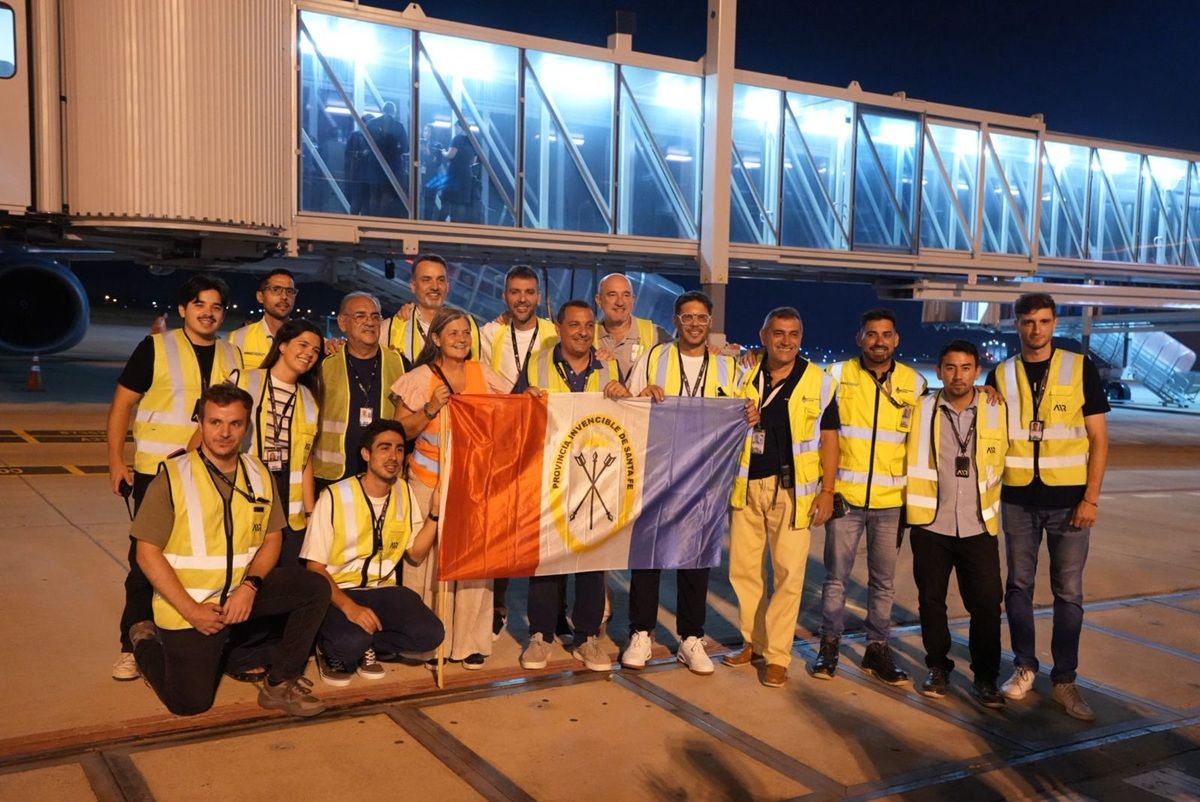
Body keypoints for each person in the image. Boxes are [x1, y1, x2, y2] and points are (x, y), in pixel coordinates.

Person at [127, 384, 331, 717]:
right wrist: (192, 610)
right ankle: (144, 640)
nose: (225, 432)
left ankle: (279, 684)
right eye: (215, 422)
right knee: (189, 703)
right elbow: (146, 553)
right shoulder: (173, 477)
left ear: (247, 426)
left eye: (235, 424)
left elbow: (272, 539)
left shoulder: (259, 473)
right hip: (189, 605)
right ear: (201, 424)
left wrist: (250, 587)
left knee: (314, 588)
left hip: (239, 594)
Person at [107, 274, 243, 681]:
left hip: (214, 475)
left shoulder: (232, 355)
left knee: (203, 558)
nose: (208, 313)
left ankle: (191, 633)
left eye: (216, 306)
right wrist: (116, 461)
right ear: (184, 309)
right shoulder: (155, 348)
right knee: (144, 562)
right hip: (158, 475)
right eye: (200, 304)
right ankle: (133, 644)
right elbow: (121, 407)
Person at [989, 292, 1110, 721]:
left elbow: (1099, 439)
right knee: (1018, 588)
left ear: (1054, 323)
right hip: (1019, 499)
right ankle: (1024, 667)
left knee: (1069, 594)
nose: (1035, 329)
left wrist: (1090, 498)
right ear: (1017, 325)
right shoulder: (1001, 374)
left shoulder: (1079, 368)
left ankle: (1064, 681)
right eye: (1027, 322)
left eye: (1042, 321)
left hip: (1070, 503)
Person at [622, 290, 756, 675]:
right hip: (657, 471)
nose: (694, 324)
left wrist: (749, 410)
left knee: (695, 556)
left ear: (709, 322)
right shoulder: (654, 358)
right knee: (647, 556)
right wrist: (642, 393)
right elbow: (630, 403)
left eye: (701, 318)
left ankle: (690, 637)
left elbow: (745, 412)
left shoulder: (728, 369)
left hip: (704, 477)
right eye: (687, 317)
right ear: (676, 321)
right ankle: (642, 632)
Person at [811, 309, 926, 684]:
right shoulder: (836, 376)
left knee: (883, 583)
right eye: (872, 334)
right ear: (860, 338)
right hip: (845, 498)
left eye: (886, 334)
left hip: (891, 502)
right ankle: (829, 645)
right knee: (835, 578)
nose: (879, 341)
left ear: (897, 340)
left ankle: (877, 648)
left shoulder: (915, 383)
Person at [726, 307, 839, 688]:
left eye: (793, 334)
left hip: (793, 490)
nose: (785, 340)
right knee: (743, 570)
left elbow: (829, 439)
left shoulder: (820, 382)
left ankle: (777, 655)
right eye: (778, 333)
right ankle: (752, 642)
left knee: (789, 575)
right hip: (747, 485)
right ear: (764, 335)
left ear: (801, 338)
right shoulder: (744, 372)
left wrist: (827, 490)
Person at [392, 308, 511, 669]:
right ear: (436, 339)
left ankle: (470, 641)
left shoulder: (483, 374)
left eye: (466, 332)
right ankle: (427, 640)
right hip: (427, 482)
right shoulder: (420, 377)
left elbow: (509, 417)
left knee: (473, 564)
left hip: (473, 485)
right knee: (425, 564)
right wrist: (430, 407)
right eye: (453, 332)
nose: (461, 338)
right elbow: (401, 432)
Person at [520, 300, 630, 673]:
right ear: (560, 328)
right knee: (547, 561)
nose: (582, 332)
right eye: (574, 325)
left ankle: (587, 637)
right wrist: (525, 400)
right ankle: (541, 635)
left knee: (591, 563)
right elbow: (516, 414)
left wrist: (624, 395)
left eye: (588, 325)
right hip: (549, 479)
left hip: (593, 479)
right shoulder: (537, 365)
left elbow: (627, 420)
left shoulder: (609, 368)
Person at [302, 420, 444, 685]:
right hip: (340, 593)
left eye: (400, 449)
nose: (393, 457)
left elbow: (415, 553)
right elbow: (315, 568)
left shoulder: (404, 491)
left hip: (383, 591)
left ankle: (367, 642)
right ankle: (330, 645)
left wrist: (434, 513)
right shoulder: (333, 496)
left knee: (431, 635)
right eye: (384, 448)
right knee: (349, 643)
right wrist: (351, 608)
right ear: (366, 454)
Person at [905, 340, 1008, 708]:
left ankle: (985, 677)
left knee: (986, 605)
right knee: (931, 602)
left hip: (978, 526)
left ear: (977, 371)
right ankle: (938, 666)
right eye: (950, 367)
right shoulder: (921, 408)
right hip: (931, 524)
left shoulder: (998, 409)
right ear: (938, 370)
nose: (958, 375)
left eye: (966, 367)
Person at [237, 319, 324, 566]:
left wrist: (310, 514)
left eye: (316, 351)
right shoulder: (244, 381)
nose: (309, 354)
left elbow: (306, 462)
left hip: (290, 514)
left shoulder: (309, 399)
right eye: (303, 345)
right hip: (246, 504)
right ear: (283, 345)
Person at [313, 293, 405, 489]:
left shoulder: (399, 363)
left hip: (384, 476)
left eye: (375, 316)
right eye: (360, 316)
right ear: (342, 322)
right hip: (333, 477)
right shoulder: (324, 363)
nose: (370, 322)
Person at [381, 253, 481, 366]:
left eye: (441, 280)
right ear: (413, 286)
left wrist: (504, 317)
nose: (435, 287)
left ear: (447, 286)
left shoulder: (470, 328)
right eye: (426, 280)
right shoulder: (391, 328)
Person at [479, 265, 558, 393]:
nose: (522, 299)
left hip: (544, 411)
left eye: (529, 292)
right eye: (515, 292)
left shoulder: (555, 335)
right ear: (504, 296)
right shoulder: (490, 333)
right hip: (505, 411)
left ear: (539, 298)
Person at [593, 273, 669, 385]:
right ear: (598, 300)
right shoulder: (586, 336)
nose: (620, 302)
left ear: (633, 300)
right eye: (612, 295)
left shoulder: (656, 334)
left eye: (626, 295)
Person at [228, 269, 299, 370]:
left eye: (290, 291)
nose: (284, 296)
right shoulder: (238, 338)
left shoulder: (306, 338)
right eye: (276, 289)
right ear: (260, 296)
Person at [365, 101, 410, 216]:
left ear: (382, 110)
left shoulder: (371, 124)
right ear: (394, 112)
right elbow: (405, 147)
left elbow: (365, 143)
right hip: (392, 165)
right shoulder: (398, 126)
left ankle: (372, 219)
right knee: (386, 193)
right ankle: (382, 219)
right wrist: (395, 152)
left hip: (374, 164)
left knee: (373, 194)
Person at [441, 120, 479, 223]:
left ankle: (440, 224)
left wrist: (443, 152)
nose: (455, 130)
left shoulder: (457, 139)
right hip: (466, 175)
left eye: (456, 127)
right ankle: (458, 226)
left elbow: (451, 155)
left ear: (459, 127)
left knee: (447, 200)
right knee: (461, 203)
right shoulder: (472, 141)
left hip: (454, 173)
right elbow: (473, 161)